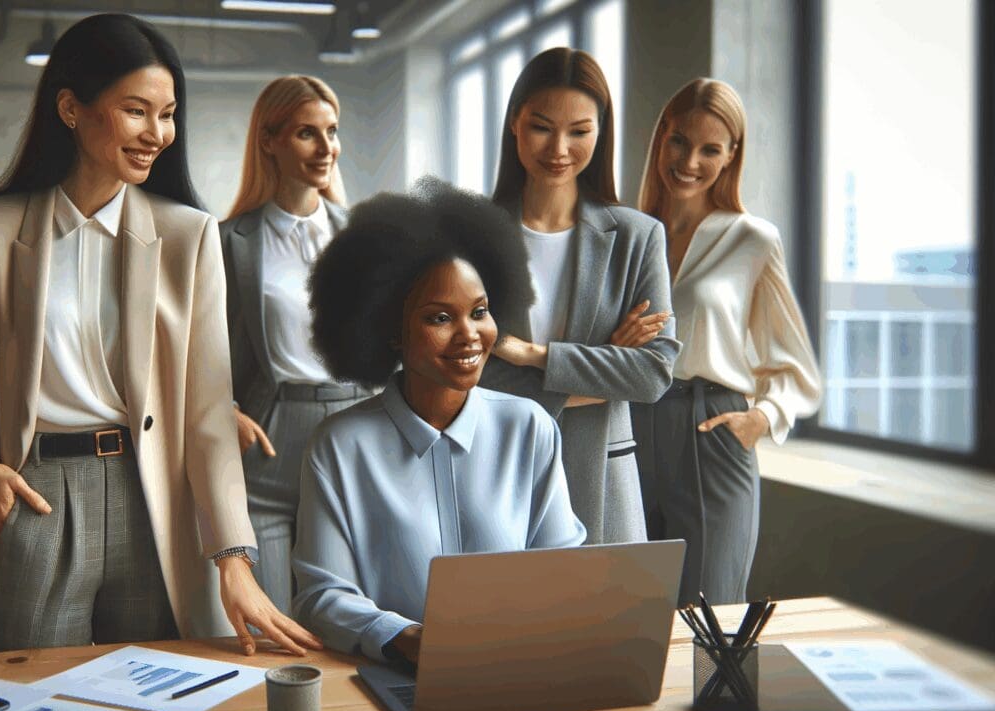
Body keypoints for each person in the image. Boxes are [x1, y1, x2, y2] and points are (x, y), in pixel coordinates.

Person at [0, 14, 320, 655]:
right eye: (136, 111)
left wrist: (234, 559)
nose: (158, 134)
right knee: (27, 698)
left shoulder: (188, 235)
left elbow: (207, 413)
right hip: (38, 497)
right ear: (71, 108)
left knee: (151, 697)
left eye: (169, 114)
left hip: (151, 499)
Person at [292, 179, 588, 664]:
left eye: (480, 312)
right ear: (389, 329)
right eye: (439, 318)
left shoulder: (530, 428)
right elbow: (322, 595)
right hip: (391, 678)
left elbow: (564, 567)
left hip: (518, 671)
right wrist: (410, 640)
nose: (470, 336)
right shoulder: (340, 446)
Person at [632, 78, 820, 604]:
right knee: (631, 613)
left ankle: (712, 690)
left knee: (711, 615)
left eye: (710, 149)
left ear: (731, 155)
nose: (690, 160)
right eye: (679, 141)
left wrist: (761, 418)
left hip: (710, 429)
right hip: (625, 428)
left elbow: (793, 362)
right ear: (660, 138)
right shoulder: (626, 232)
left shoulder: (753, 239)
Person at [482, 47, 680, 544]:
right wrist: (608, 362)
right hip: (493, 470)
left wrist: (531, 355)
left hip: (603, 479)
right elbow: (461, 375)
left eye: (580, 130)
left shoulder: (638, 237)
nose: (559, 148)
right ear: (514, 123)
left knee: (612, 623)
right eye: (542, 126)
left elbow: (653, 374)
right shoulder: (469, 234)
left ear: (601, 130)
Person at [220, 76, 372, 614]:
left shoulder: (365, 239)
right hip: (270, 438)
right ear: (269, 140)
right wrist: (222, 409)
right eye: (308, 133)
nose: (327, 147)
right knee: (271, 621)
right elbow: (199, 350)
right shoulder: (226, 241)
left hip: (353, 430)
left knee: (345, 610)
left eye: (332, 131)